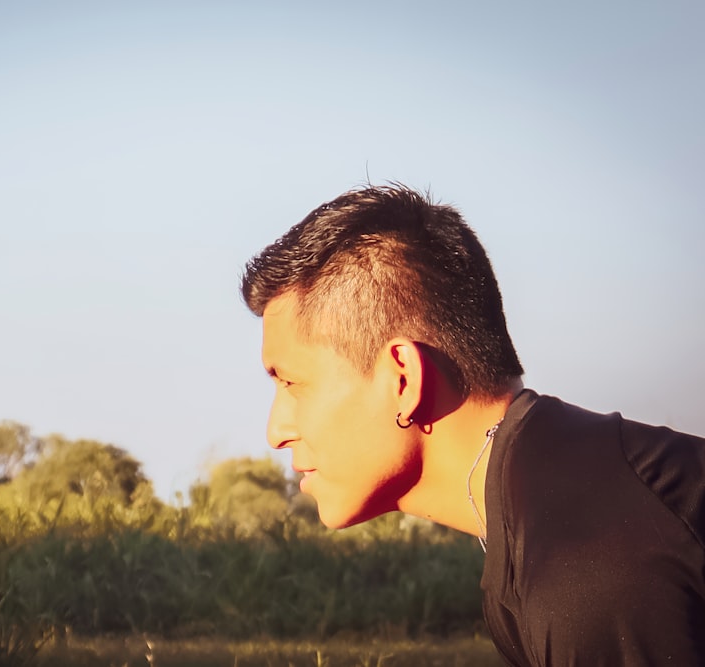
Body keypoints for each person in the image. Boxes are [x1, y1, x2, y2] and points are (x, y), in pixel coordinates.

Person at [240, 184, 705, 666]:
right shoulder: (544, 505)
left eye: (291, 382)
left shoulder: (586, 566)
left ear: (404, 380)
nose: (276, 431)